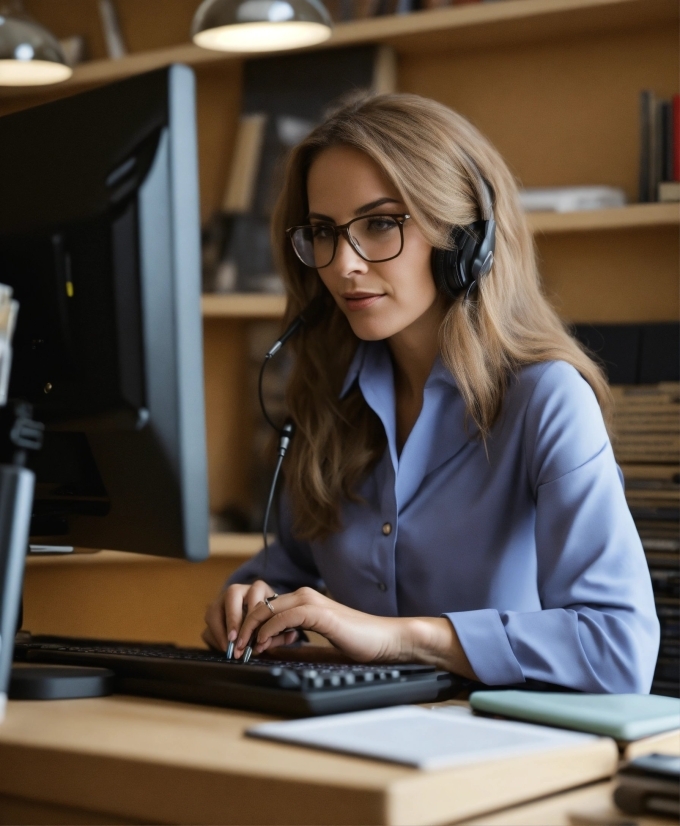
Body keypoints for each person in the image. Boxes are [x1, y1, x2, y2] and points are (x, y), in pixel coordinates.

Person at [203, 93, 659, 692]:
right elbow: (293, 569)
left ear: (467, 242)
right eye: (322, 232)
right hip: (350, 735)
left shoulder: (547, 400)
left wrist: (400, 636)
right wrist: (253, 602)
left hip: (498, 755)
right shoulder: (325, 397)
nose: (343, 264)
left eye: (380, 223)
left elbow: (619, 651)